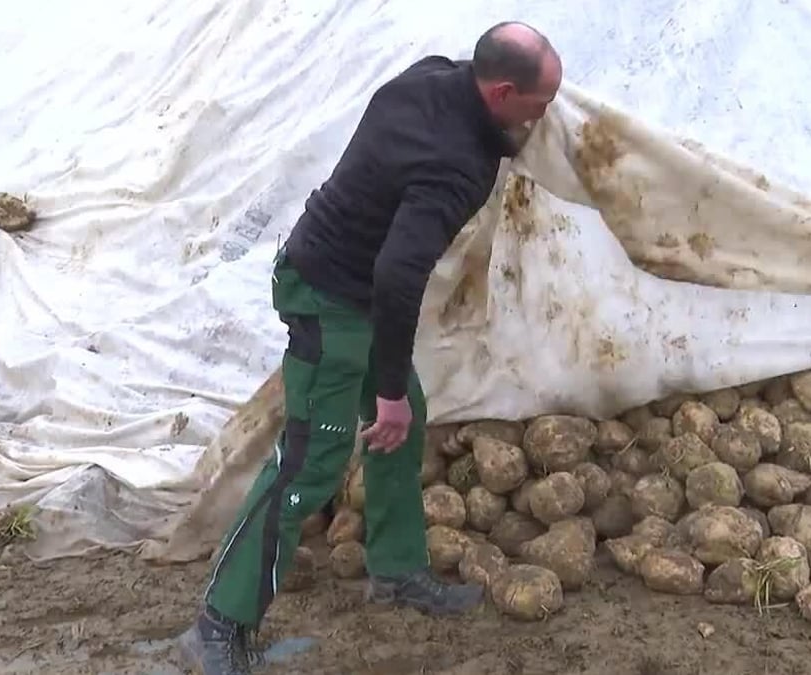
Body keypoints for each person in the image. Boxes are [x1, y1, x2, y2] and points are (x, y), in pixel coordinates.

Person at [177, 20, 564, 675]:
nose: (546, 114)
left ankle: (396, 569)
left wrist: (394, 395)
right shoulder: (458, 165)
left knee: (405, 418)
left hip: (350, 285)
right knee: (310, 462)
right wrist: (384, 393)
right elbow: (398, 275)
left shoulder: (431, 74)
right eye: (541, 102)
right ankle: (217, 623)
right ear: (502, 92)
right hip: (327, 296)